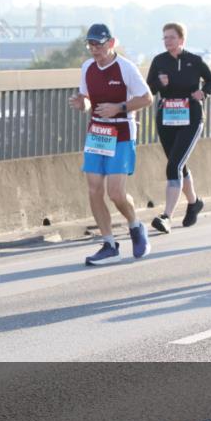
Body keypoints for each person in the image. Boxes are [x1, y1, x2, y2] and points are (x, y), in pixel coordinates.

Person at [69, 24, 153, 264]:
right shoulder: (87, 67)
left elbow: (147, 98)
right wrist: (81, 104)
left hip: (122, 131)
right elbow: (87, 100)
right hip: (97, 132)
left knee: (115, 192)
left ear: (111, 43)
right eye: (91, 45)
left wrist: (119, 107)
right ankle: (108, 243)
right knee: (94, 188)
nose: (95, 50)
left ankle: (136, 227)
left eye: (99, 44)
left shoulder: (126, 68)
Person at [146, 22, 211, 233]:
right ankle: (194, 202)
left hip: (191, 117)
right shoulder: (159, 61)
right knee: (178, 163)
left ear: (181, 40)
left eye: (172, 37)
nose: (168, 41)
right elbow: (149, 88)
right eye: (165, 37)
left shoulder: (193, 61)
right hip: (167, 118)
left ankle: (166, 216)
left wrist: (204, 92)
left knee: (174, 165)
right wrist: (161, 84)